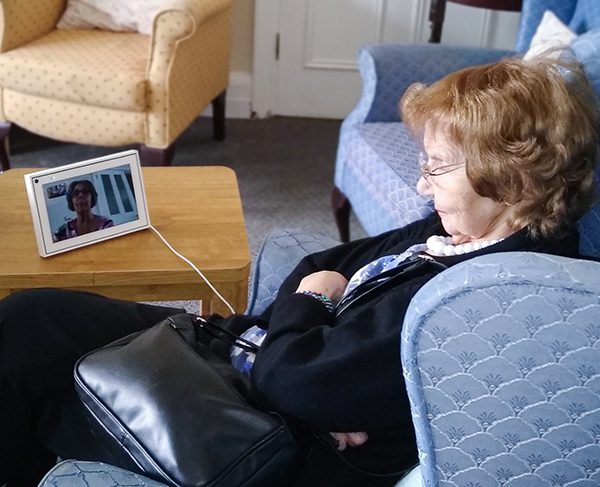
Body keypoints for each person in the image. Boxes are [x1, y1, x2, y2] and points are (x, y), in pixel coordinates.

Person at [1, 56, 598, 486]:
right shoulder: (456, 229)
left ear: (513, 180)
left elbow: (295, 376)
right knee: (32, 319)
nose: (420, 184)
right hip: (246, 351)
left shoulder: (479, 296)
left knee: (43, 379)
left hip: (258, 414)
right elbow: (321, 265)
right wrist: (311, 314)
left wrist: (311, 321)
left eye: (438, 169)